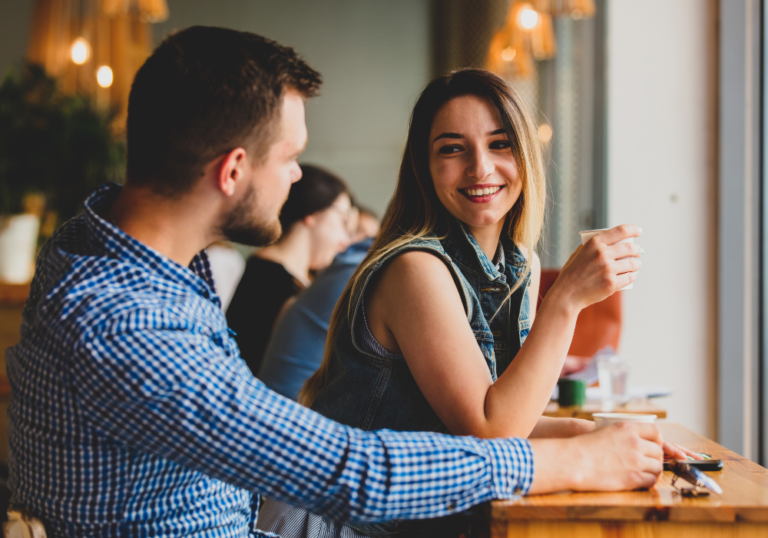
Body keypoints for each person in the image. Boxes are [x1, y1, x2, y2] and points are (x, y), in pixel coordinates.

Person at [6, 27, 667, 538]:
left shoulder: (110, 254)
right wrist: (572, 463)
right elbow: (353, 472)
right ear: (233, 171)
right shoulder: (129, 324)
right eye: (291, 158)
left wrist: (580, 442)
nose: (300, 177)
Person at [259, 69, 696, 537]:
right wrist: (566, 299)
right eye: (452, 149)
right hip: (335, 526)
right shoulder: (415, 270)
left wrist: (606, 438)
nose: (481, 168)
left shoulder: (519, 267)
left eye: (500, 143)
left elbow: (509, 417)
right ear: (424, 167)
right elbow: (491, 433)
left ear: (525, 155)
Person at [227, 164, 352, 376]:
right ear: (313, 212)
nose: (345, 240)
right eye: (342, 221)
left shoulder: (275, 274)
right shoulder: (269, 281)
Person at [259, 207, 379, 400]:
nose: (345, 242)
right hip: (285, 409)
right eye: (346, 225)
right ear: (312, 216)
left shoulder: (347, 268)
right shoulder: (360, 269)